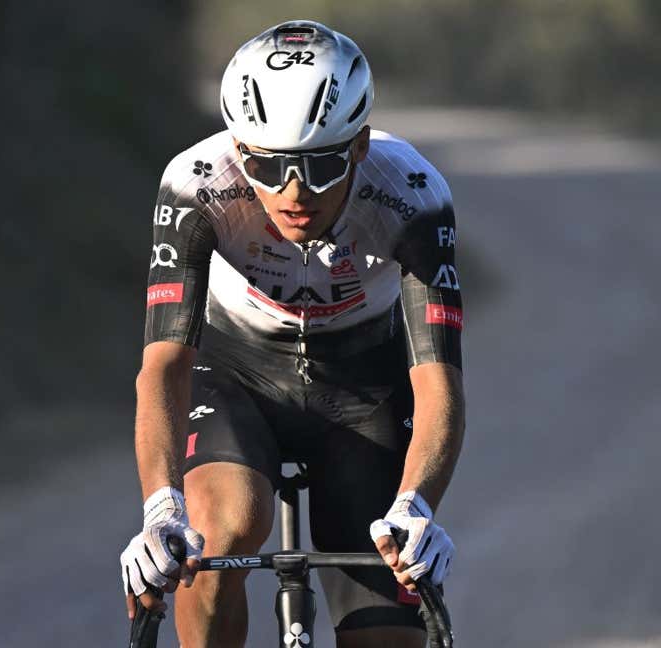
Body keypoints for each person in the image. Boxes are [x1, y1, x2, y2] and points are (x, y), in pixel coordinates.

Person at [119, 20, 464, 648]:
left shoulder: (412, 194)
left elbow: (438, 381)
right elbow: (163, 366)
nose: (294, 191)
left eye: (321, 164)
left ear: (359, 146)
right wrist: (160, 509)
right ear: (237, 147)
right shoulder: (197, 184)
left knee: (387, 616)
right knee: (217, 531)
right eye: (269, 165)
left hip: (363, 386)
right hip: (234, 375)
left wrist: (417, 505)